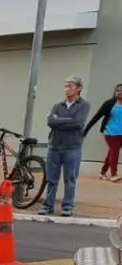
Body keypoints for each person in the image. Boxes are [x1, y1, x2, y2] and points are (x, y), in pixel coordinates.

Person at [42, 75, 91, 216]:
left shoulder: (83, 105)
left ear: (78, 88)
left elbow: (78, 123)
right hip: (55, 146)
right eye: (65, 86)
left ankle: (67, 206)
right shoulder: (57, 106)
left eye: (70, 86)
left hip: (72, 146)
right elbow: (50, 122)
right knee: (51, 178)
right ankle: (48, 205)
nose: (67, 89)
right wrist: (67, 121)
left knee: (70, 178)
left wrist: (60, 121)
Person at [84, 82, 122, 182]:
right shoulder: (109, 104)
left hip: (121, 134)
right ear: (115, 92)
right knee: (115, 152)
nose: (120, 92)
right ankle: (114, 174)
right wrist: (85, 131)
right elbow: (96, 117)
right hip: (110, 132)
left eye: (121, 91)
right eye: (117, 90)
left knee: (111, 153)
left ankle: (102, 172)